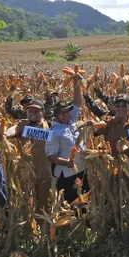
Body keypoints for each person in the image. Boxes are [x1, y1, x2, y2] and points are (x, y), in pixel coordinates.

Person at [46, 75, 86, 205]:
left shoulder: (71, 121)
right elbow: (51, 156)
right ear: (56, 115)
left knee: (84, 203)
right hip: (67, 175)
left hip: (81, 170)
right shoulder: (53, 132)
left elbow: (77, 102)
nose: (66, 115)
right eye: (62, 113)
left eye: (67, 112)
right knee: (70, 205)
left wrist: (76, 82)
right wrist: (67, 162)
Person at [10, 99, 52, 211]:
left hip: (44, 171)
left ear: (42, 112)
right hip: (27, 172)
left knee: (43, 202)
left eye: (36, 111)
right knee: (27, 201)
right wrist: (5, 134)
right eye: (30, 111)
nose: (33, 113)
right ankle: (29, 226)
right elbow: (13, 130)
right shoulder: (22, 124)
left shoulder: (49, 125)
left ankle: (43, 226)